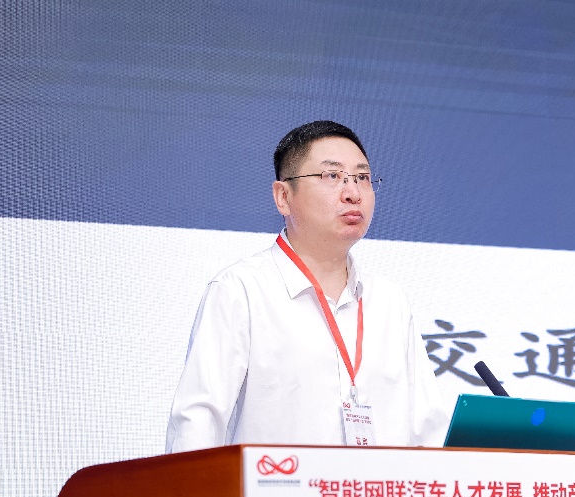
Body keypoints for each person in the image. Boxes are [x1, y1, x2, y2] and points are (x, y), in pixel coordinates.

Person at [165, 120, 448, 452]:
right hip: (276, 486)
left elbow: (428, 430)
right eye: (332, 176)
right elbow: (197, 424)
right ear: (283, 197)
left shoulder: (388, 301)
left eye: (362, 178)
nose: (353, 193)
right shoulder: (240, 291)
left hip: (379, 487)